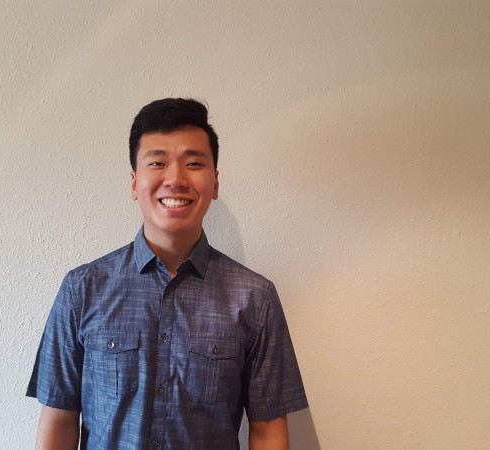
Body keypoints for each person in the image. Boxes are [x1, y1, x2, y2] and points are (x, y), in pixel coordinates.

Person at [27, 98, 308, 449]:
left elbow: (268, 431)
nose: (175, 179)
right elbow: (58, 421)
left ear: (215, 183)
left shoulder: (254, 297)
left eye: (193, 163)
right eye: (158, 163)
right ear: (134, 182)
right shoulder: (82, 289)